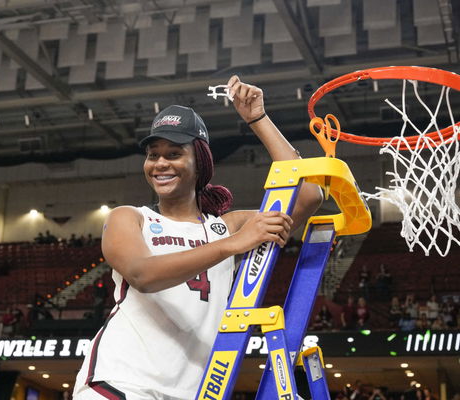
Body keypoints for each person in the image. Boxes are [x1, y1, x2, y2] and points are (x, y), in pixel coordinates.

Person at [72, 76, 323, 399]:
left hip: (191, 391)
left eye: (174, 153)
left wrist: (257, 119)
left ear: (199, 162)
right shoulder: (130, 217)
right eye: (153, 155)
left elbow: (308, 195)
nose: (160, 163)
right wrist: (234, 244)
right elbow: (142, 275)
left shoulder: (225, 226)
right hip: (119, 382)